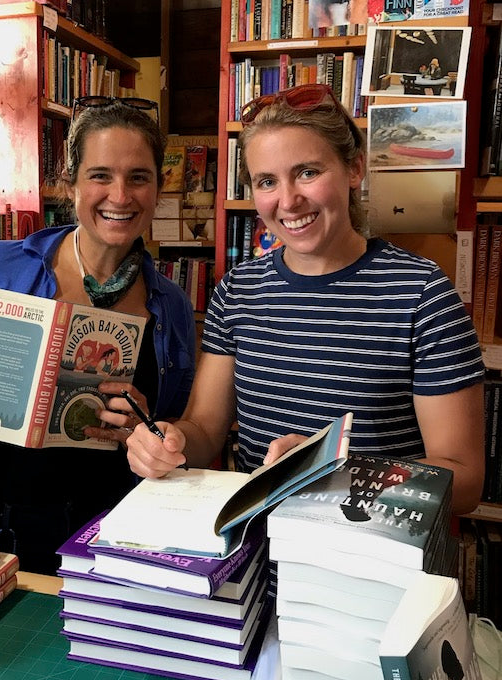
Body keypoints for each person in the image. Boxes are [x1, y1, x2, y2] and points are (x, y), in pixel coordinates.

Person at [126, 83, 484, 517]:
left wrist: (333, 475)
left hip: (369, 564)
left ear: (354, 169)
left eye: (308, 172)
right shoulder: (238, 290)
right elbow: (204, 431)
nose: (288, 201)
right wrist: (169, 442)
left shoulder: (422, 293)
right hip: (257, 562)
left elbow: (463, 480)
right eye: (267, 181)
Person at [0, 97, 196, 573]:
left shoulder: (172, 306)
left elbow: (175, 424)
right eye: (100, 175)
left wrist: (149, 431)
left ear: (158, 189)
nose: (119, 196)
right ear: (71, 184)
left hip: (116, 528)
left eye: (138, 177)